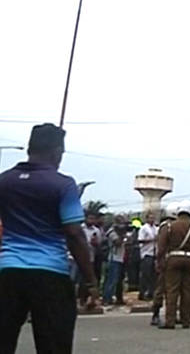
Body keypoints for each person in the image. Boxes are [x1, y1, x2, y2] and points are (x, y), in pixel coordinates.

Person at [0, 123, 98, 353]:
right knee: (54, 345)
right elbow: (74, 234)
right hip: (51, 274)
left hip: (7, 273)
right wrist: (91, 282)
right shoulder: (63, 185)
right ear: (57, 152)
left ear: (29, 148)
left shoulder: (4, 181)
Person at [156, 201, 190, 330]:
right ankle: (186, 320)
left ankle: (170, 321)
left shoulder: (170, 226)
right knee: (187, 291)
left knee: (172, 291)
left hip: (173, 259)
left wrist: (159, 261)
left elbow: (161, 247)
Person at [150, 205, 178, 326]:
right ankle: (156, 314)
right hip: (166, 260)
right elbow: (161, 246)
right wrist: (159, 260)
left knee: (170, 289)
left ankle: (169, 314)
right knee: (162, 289)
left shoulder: (171, 226)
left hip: (169, 260)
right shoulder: (166, 226)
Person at [102, 215, 128, 305]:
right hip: (113, 258)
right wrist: (122, 235)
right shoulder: (112, 232)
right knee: (111, 280)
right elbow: (117, 243)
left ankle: (118, 298)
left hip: (121, 258)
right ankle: (106, 298)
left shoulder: (120, 232)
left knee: (119, 280)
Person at [80, 212, 103, 308]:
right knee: (78, 279)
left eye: (93, 219)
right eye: (90, 218)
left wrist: (95, 242)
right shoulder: (80, 228)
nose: (91, 221)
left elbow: (99, 243)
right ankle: (80, 299)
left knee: (88, 279)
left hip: (91, 257)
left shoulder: (96, 230)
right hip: (78, 257)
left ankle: (87, 299)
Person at [138, 212, 159, 301]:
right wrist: (151, 240)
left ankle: (151, 293)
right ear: (147, 219)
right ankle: (142, 293)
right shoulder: (144, 228)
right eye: (150, 218)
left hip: (154, 253)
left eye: (153, 218)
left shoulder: (156, 228)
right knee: (145, 274)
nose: (152, 220)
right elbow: (140, 240)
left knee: (153, 275)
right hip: (146, 253)